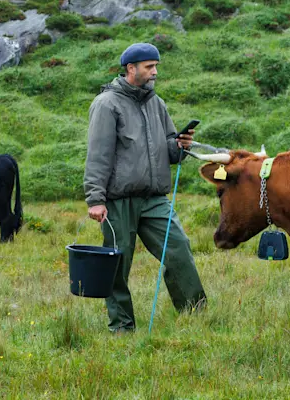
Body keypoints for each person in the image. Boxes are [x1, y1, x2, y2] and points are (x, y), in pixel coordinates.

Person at [83, 42, 207, 333]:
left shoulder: (157, 103)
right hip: (117, 201)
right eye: (149, 67)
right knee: (118, 264)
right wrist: (95, 199)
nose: (154, 73)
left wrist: (180, 146)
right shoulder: (106, 104)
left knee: (179, 248)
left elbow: (169, 150)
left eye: (156, 67)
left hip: (154, 198)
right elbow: (98, 155)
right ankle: (122, 327)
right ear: (131, 69)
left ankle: (195, 314)